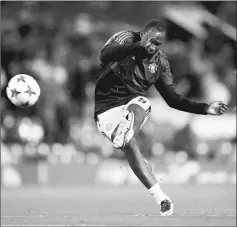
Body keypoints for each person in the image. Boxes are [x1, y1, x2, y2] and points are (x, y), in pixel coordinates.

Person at [94, 19, 228, 216]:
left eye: (159, 44)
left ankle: (162, 199)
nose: (154, 47)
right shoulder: (127, 38)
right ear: (144, 34)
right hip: (105, 111)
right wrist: (136, 47)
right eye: (152, 41)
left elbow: (173, 100)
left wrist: (206, 108)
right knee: (132, 148)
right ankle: (126, 133)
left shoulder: (160, 64)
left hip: (132, 107)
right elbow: (104, 54)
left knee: (143, 103)